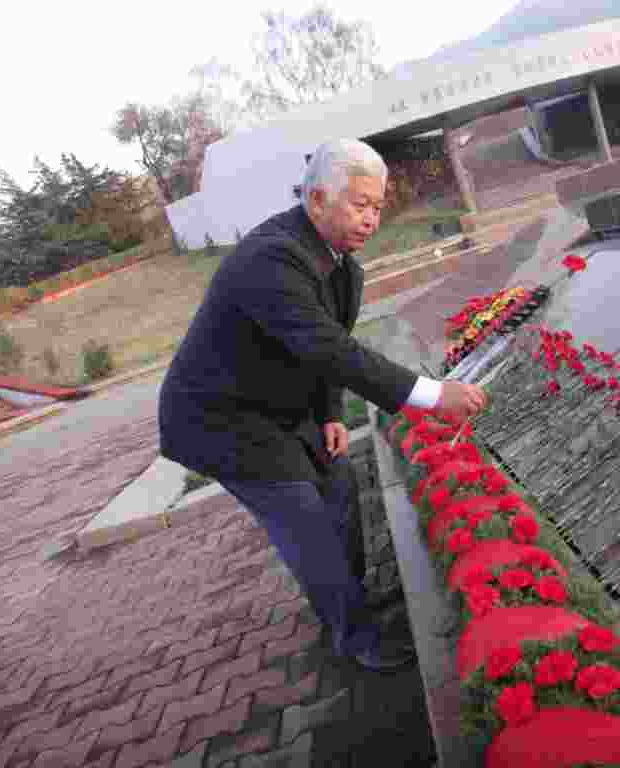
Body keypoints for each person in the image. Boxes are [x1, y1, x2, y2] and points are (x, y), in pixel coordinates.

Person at [158, 139, 488, 670]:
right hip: (221, 418)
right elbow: (328, 346)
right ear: (316, 200)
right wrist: (429, 396)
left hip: (280, 405)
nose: (371, 219)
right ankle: (356, 636)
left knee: (338, 487)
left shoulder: (343, 266)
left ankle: (349, 600)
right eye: (359, 205)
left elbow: (326, 347)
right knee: (303, 516)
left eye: (378, 207)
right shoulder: (271, 259)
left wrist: (332, 413)